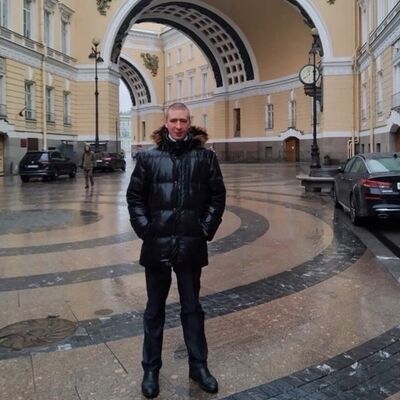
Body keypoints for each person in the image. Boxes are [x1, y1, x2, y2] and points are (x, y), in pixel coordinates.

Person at [126, 102, 226, 398]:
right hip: (157, 245)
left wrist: (204, 229)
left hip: (190, 244)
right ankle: (150, 370)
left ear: (189, 122)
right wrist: (147, 229)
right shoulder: (148, 158)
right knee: (154, 310)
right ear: (166, 122)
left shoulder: (205, 157)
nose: (179, 126)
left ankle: (199, 366)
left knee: (192, 309)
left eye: (183, 121)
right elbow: (134, 198)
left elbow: (217, 197)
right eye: (174, 121)